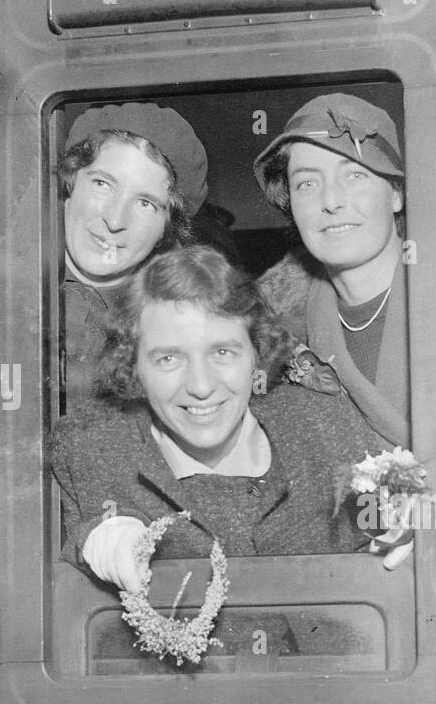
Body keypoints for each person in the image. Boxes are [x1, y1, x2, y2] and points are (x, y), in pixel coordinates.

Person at [52, 245, 387, 591]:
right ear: (133, 367)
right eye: (168, 359)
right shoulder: (90, 449)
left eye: (222, 352)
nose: (200, 386)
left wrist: (406, 539)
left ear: (256, 353)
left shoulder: (325, 426)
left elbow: (385, 527)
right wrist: (103, 534)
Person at [253, 93, 409, 447]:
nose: (331, 201)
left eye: (354, 176)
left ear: (396, 193)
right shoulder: (272, 336)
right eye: (307, 183)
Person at [58, 101, 209, 407]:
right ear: (70, 185)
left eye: (145, 203)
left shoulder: (183, 329)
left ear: (165, 230)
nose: (114, 221)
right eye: (102, 184)